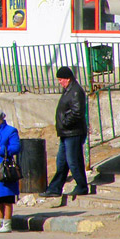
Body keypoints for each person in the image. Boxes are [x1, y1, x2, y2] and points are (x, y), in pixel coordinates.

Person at [41, 65, 89, 197]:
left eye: (61, 79)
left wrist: (65, 123)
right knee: (61, 162)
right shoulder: (68, 90)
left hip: (73, 132)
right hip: (66, 133)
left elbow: (77, 113)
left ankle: (82, 186)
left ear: (68, 79)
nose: (59, 82)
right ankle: (55, 188)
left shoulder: (75, 91)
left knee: (73, 160)